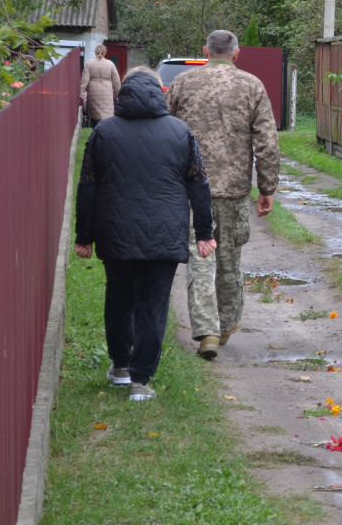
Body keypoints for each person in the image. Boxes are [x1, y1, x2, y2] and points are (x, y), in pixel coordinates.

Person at [74, 67, 216, 401]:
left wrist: (84, 235)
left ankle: (121, 366)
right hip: (164, 234)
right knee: (154, 305)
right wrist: (204, 232)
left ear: (123, 93)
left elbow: (88, 186)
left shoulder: (104, 132)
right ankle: (140, 380)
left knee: (119, 298)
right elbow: (199, 184)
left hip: (115, 232)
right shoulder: (181, 132)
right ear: (159, 92)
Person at [167, 30, 280, 359]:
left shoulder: (183, 83)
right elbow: (267, 142)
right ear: (236, 54)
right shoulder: (251, 85)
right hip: (233, 191)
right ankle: (227, 324)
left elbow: (164, 129)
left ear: (205, 51)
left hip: (190, 189)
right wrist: (267, 186)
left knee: (199, 257)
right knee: (229, 259)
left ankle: (207, 330)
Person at [79, 44, 121, 124]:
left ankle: (95, 128)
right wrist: (117, 94)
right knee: (106, 114)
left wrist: (81, 93)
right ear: (105, 53)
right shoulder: (110, 64)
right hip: (107, 90)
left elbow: (84, 80)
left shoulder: (89, 63)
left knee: (95, 114)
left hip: (93, 89)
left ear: (95, 52)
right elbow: (116, 80)